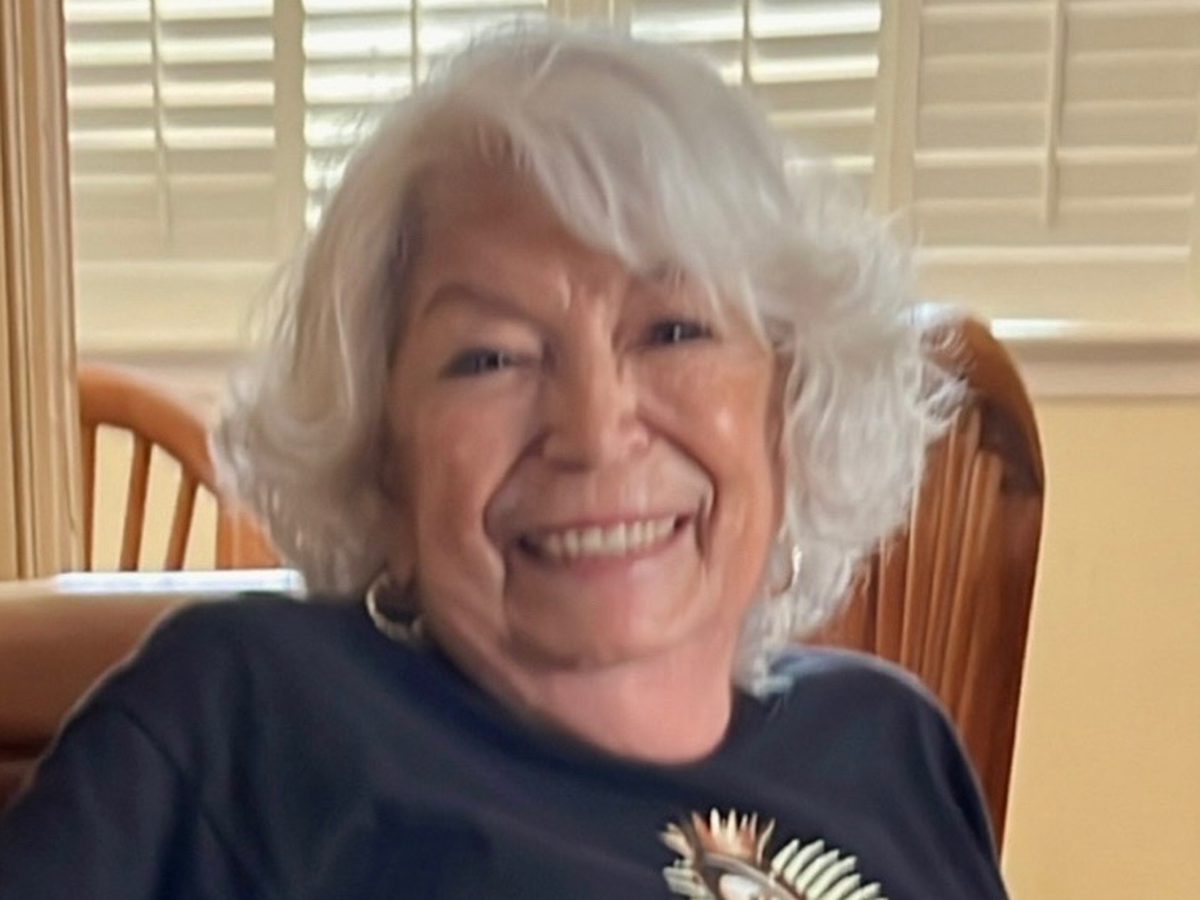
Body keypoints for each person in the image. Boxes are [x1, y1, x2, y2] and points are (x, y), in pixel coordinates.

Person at [0, 26, 1006, 899]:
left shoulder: (889, 743)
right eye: (489, 358)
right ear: (380, 458)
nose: (594, 428)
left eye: (674, 331)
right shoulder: (249, 716)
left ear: (790, 404)